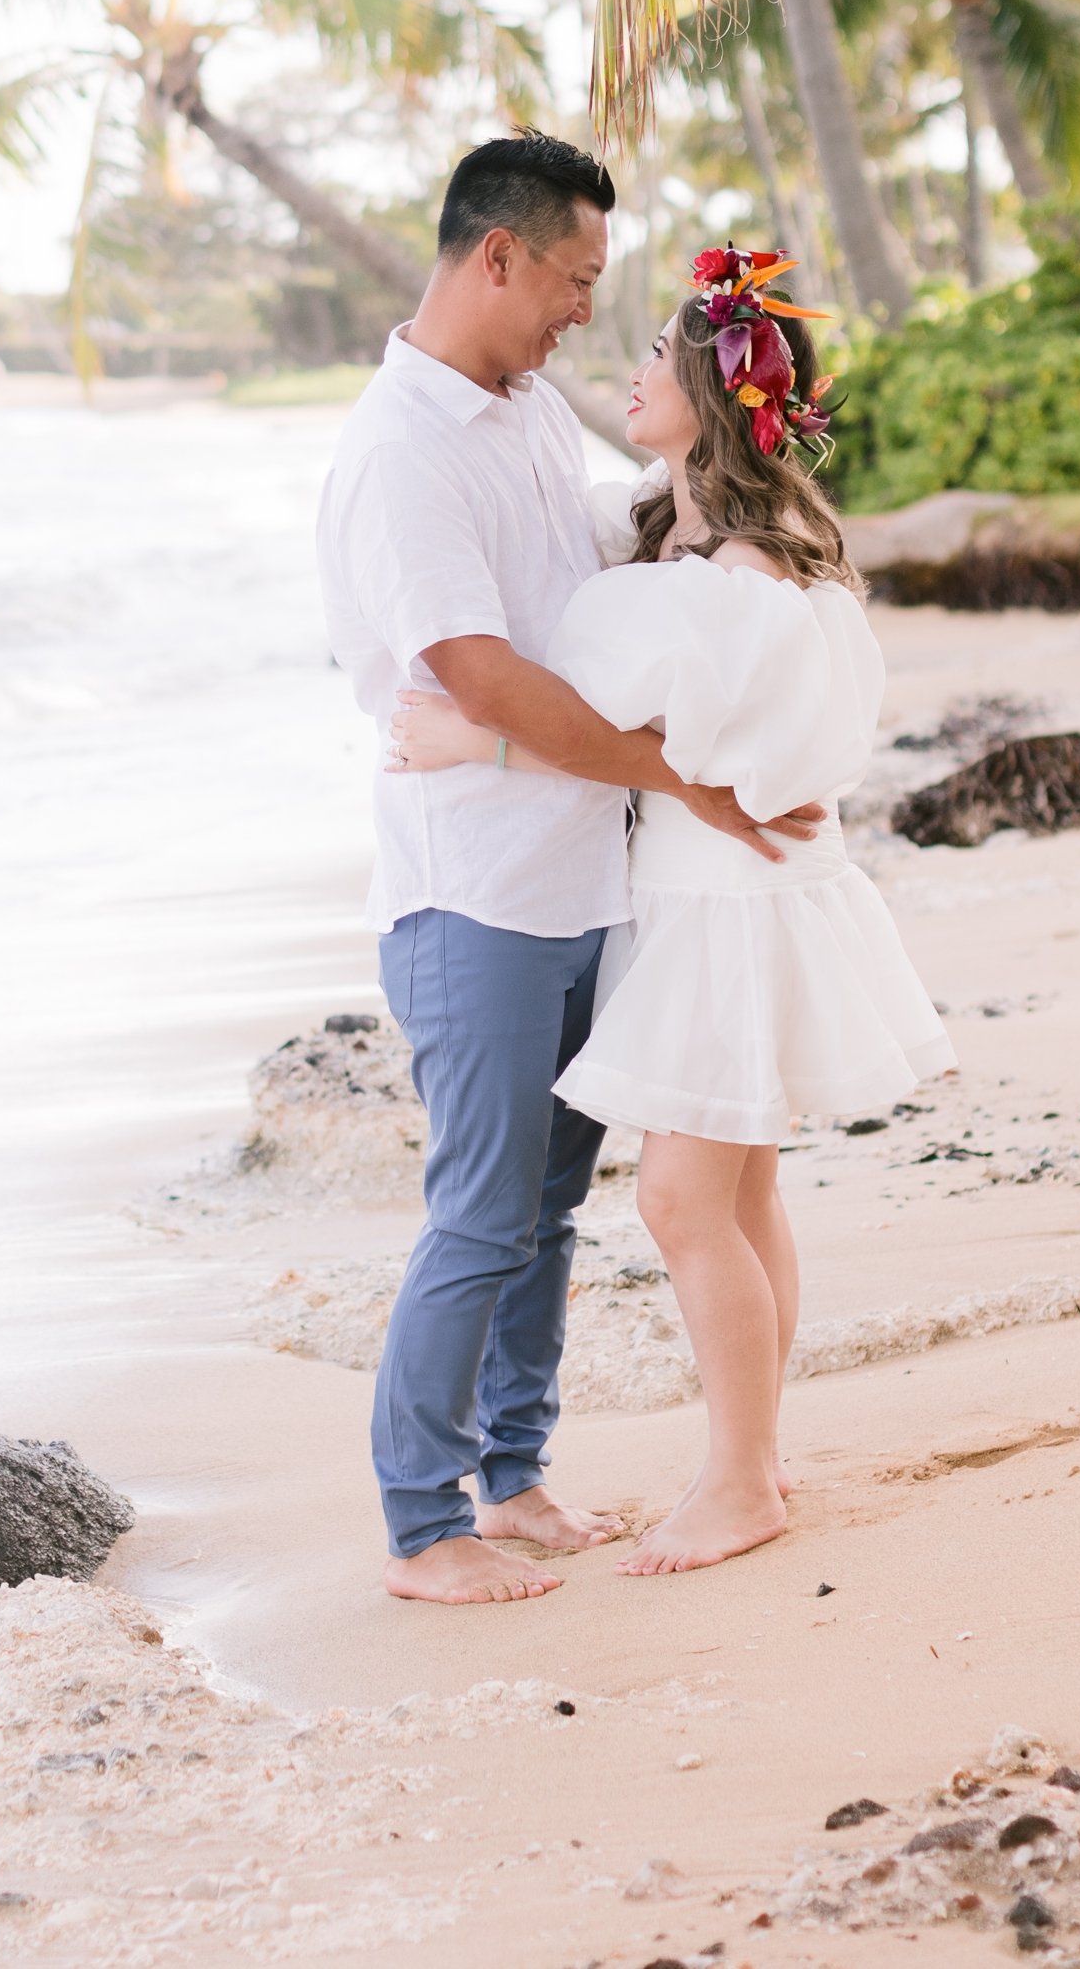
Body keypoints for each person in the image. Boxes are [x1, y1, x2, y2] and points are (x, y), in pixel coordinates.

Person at [391, 244, 956, 1579]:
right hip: (724, 898)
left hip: (726, 909)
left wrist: (477, 750)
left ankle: (743, 1478)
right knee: (741, 1193)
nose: (632, 371)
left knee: (683, 1203)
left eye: (657, 357)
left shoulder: (732, 578)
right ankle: (750, 1457)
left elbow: (652, 751)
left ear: (708, 394)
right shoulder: (685, 541)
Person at [316, 146, 826, 1609]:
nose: (580, 320)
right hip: (468, 890)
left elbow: (615, 560)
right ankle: (423, 1525)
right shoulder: (402, 451)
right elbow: (474, 666)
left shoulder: (526, 414)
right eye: (572, 283)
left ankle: (514, 1472)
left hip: (582, 883)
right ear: (496, 258)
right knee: (479, 1213)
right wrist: (681, 778)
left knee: (546, 1211)